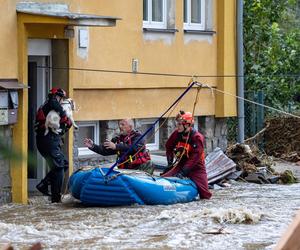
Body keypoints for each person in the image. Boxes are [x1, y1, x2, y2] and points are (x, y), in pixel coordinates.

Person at [161, 111, 212, 199]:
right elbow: (168, 146)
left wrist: (183, 172)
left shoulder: (197, 138)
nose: (177, 126)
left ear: (187, 125)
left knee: (205, 194)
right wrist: (170, 163)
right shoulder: (176, 134)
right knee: (164, 178)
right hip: (181, 164)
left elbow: (195, 158)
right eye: (177, 124)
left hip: (197, 168)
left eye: (180, 124)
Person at [35, 87, 72, 203]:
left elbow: (62, 126)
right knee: (59, 167)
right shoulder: (51, 103)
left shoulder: (50, 107)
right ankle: (56, 198)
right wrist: (64, 115)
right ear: (57, 96)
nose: (61, 101)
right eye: (61, 98)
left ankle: (44, 184)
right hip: (47, 140)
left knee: (64, 164)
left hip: (50, 140)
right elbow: (54, 104)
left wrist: (67, 124)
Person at [84, 118, 154, 174]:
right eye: (119, 124)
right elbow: (105, 151)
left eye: (123, 125)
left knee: (149, 164)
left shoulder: (138, 137)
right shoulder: (117, 139)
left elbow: (134, 148)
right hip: (125, 170)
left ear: (130, 127)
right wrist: (93, 146)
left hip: (140, 168)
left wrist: (116, 147)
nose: (120, 127)